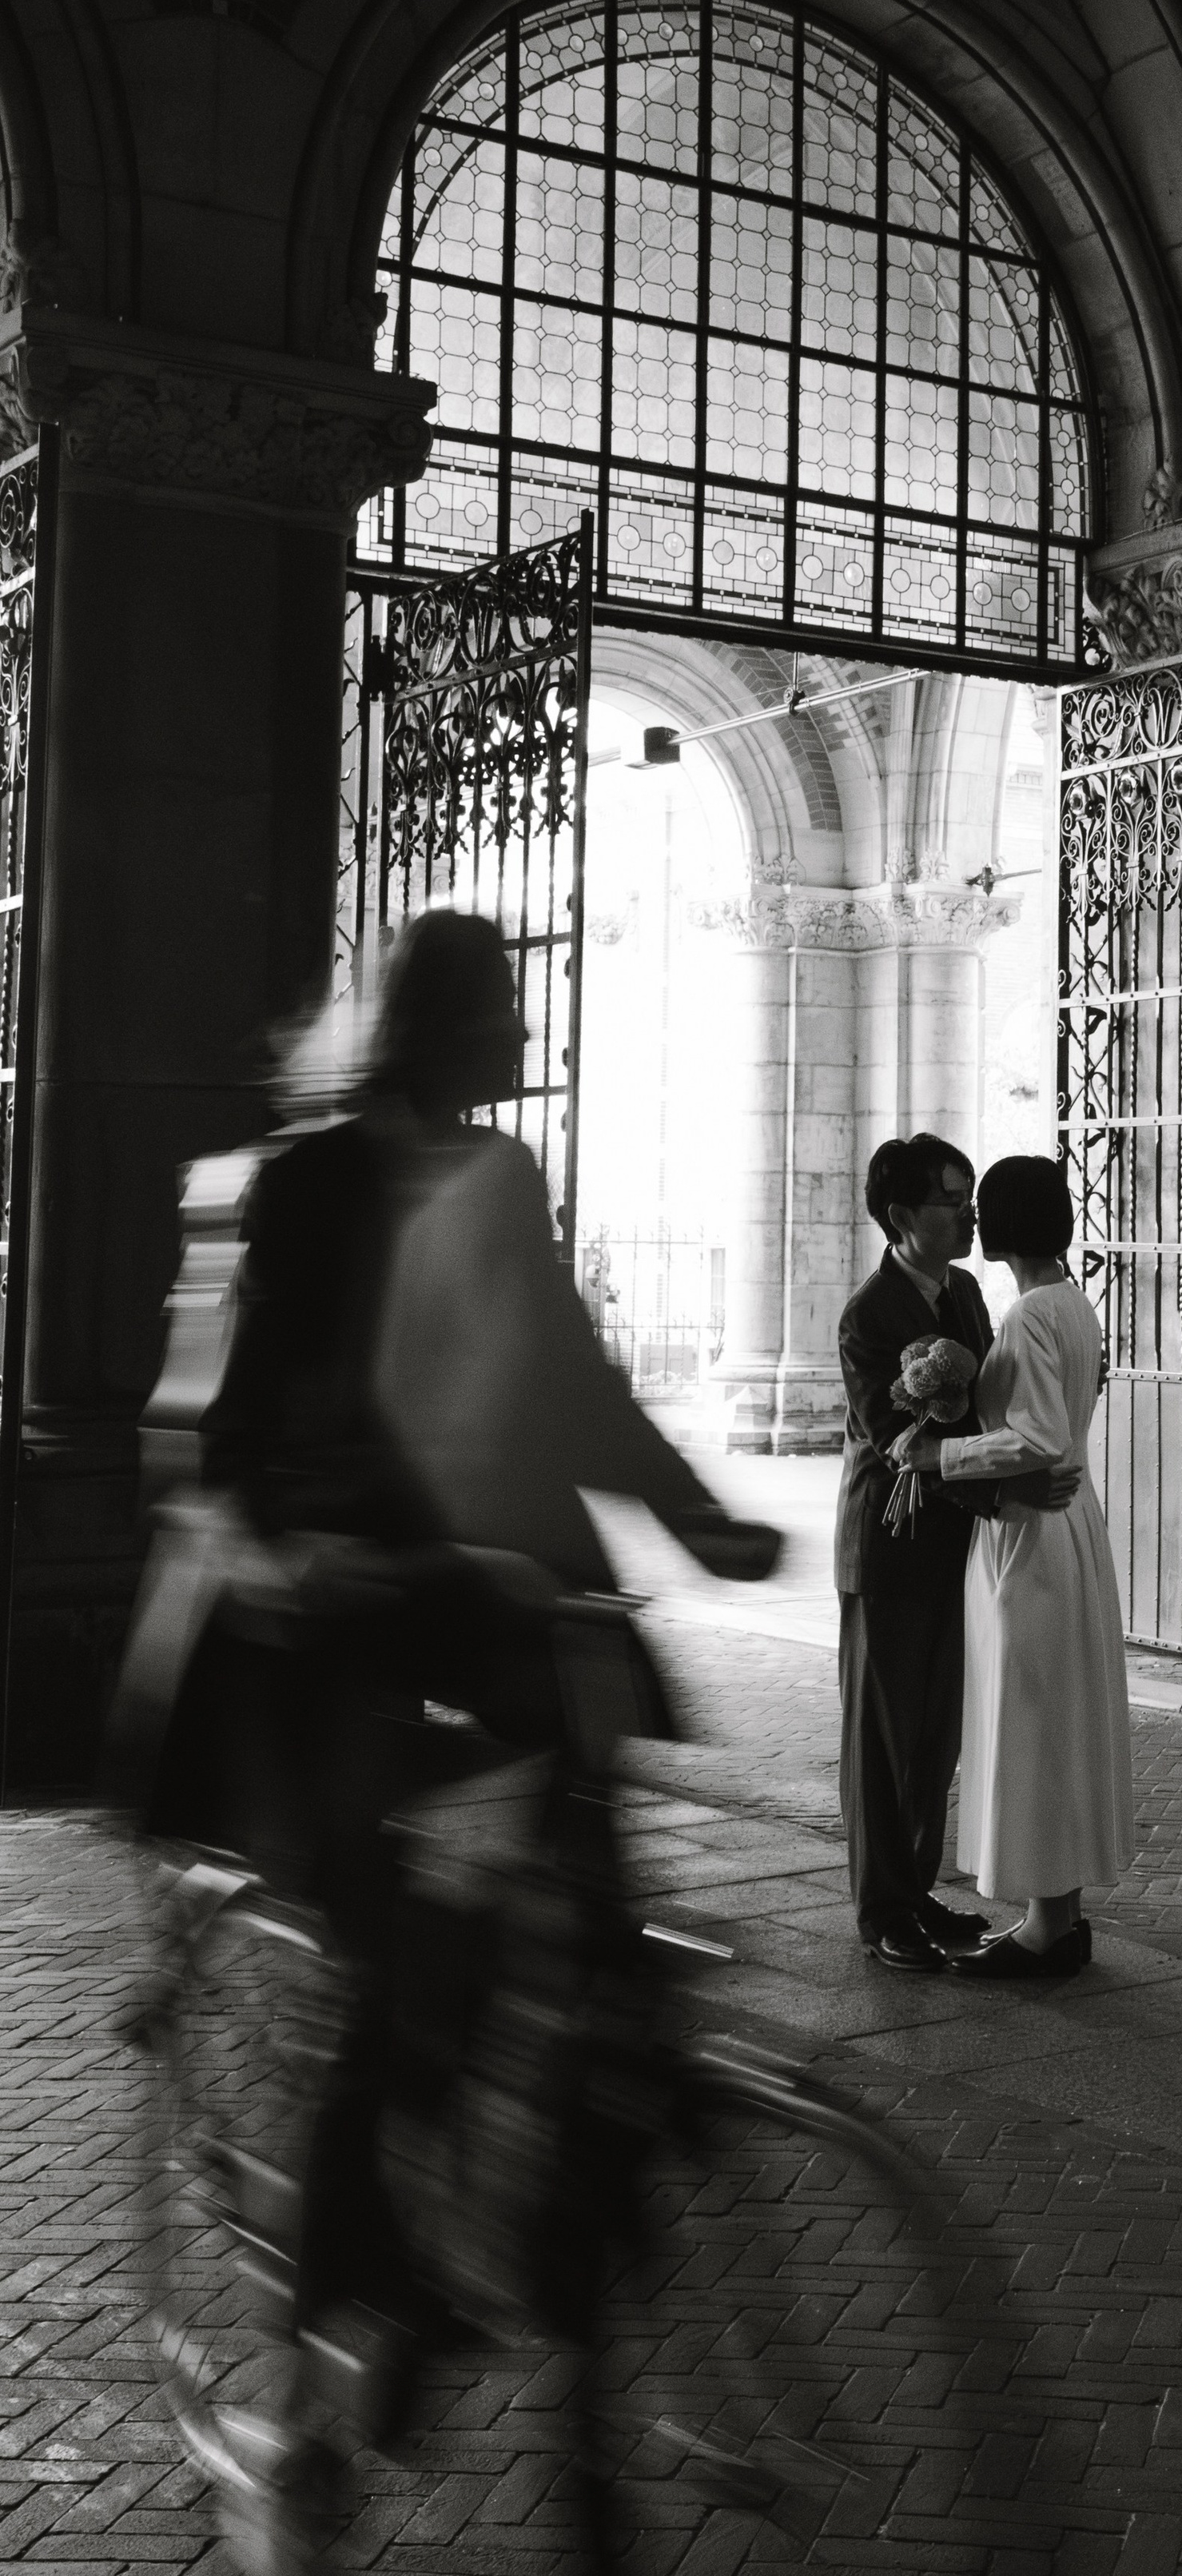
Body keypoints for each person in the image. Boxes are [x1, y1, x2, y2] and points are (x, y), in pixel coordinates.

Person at [113, 911, 782, 2434]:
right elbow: (232, 1429)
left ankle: (584, 2174)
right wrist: (303, 1553)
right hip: (328, 1634)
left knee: (585, 1889)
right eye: (499, 1007)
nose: (524, 1034)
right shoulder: (304, 1186)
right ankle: (332, 2336)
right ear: (431, 1024)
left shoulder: (501, 1174)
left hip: (485, 1608)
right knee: (399, 1957)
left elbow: (570, 1375)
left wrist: (700, 1519)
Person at [835, 1134, 1080, 1972]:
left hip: (960, 1546)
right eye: (952, 1199)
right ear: (902, 1216)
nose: (970, 1213)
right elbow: (895, 1439)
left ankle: (917, 1891)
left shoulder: (969, 1292)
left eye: (970, 1195)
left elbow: (983, 1416)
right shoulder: (870, 1314)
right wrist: (1004, 1490)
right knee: (885, 1739)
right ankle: (883, 1913)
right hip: (889, 1547)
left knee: (936, 1737)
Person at [889, 1154, 1132, 1983]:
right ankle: (1058, 1915)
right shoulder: (1072, 1303)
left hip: (1030, 1534)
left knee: (1032, 1720)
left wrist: (938, 1454)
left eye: (981, 1208)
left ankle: (1045, 1929)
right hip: (1071, 1525)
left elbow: (1035, 1439)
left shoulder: (1029, 1315)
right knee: (1059, 1716)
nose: (973, 1222)